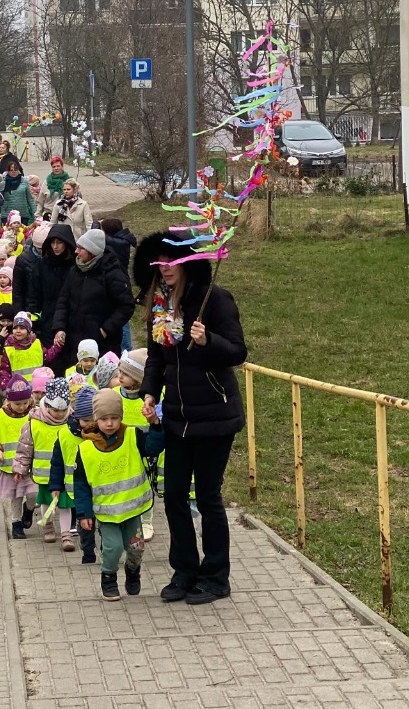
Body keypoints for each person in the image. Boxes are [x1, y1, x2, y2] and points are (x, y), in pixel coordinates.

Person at [135, 229, 247, 606]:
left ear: (188, 263)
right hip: (177, 417)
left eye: (172, 262)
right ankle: (184, 570)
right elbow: (156, 357)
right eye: (160, 263)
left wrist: (206, 341)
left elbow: (238, 351)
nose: (165, 268)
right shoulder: (160, 305)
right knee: (174, 496)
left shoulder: (214, 299)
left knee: (208, 496)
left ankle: (216, 577)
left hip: (215, 414)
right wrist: (149, 393)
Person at [74, 386, 164, 601]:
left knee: (136, 548)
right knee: (112, 548)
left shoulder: (133, 436)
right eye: (104, 419)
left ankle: (133, 572)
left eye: (114, 418)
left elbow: (153, 448)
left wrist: (155, 425)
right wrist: (84, 513)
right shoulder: (86, 449)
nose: (110, 423)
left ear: (121, 417)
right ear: (96, 419)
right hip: (107, 514)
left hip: (132, 509)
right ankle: (108, 578)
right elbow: (81, 484)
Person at [51, 228, 135, 369]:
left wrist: (105, 330)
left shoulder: (112, 273)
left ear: (92, 251)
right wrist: (59, 327)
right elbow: (63, 301)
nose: (76, 251)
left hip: (101, 345)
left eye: (81, 248)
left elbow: (127, 306)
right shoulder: (75, 271)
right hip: (73, 343)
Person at [13, 378, 75, 550]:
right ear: (46, 406)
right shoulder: (34, 424)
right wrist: (20, 468)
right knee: (46, 502)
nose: (60, 414)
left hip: (65, 475)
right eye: (56, 410)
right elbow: (25, 448)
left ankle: (66, 534)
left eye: (64, 410)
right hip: (43, 475)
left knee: (65, 505)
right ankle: (48, 526)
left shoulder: (72, 424)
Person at [49, 385, 98, 564]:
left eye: (94, 419)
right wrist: (55, 485)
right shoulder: (64, 435)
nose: (90, 424)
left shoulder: (103, 435)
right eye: (85, 420)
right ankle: (88, 552)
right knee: (85, 523)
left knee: (104, 523)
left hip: (101, 488)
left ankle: (106, 549)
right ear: (77, 418)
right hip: (76, 491)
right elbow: (57, 463)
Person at [0, 374, 38, 539]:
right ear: (9, 400)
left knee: (34, 493)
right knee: (16, 496)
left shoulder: (36, 414)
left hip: (31, 465)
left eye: (25, 403)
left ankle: (29, 509)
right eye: (18, 404)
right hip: (10, 467)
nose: (22, 407)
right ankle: (16, 523)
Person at [117, 348, 157, 541]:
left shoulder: (149, 400)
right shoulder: (115, 395)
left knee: (145, 487)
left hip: (144, 454)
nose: (120, 376)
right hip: (121, 453)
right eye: (119, 371)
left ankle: (147, 521)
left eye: (125, 373)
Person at [28, 224, 77, 367]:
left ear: (67, 243)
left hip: (71, 319)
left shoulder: (75, 266)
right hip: (47, 319)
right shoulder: (42, 264)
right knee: (50, 359)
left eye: (59, 242)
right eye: (52, 242)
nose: (55, 246)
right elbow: (34, 295)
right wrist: (34, 323)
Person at [0, 310, 59, 390]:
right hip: (19, 391)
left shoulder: (36, 344)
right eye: (15, 328)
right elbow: (5, 371)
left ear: (28, 330)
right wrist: (6, 388)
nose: (18, 331)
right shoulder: (9, 349)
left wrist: (57, 346)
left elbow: (47, 356)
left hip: (38, 390)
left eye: (22, 328)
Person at [103, 218, 138, 351]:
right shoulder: (123, 240)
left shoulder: (118, 243)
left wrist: (96, 226)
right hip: (121, 280)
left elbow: (100, 237)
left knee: (122, 316)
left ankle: (126, 348)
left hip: (120, 282)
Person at [13, 223, 49, 316]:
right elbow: (18, 291)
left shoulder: (53, 260)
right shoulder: (22, 260)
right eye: (39, 248)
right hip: (29, 308)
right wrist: (19, 314)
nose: (42, 252)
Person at [0, 159, 35, 225]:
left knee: (22, 231)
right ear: (8, 171)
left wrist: (35, 213)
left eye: (15, 169)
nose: (13, 172)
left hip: (22, 214)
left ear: (18, 170)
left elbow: (30, 199)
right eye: (11, 170)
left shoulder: (25, 182)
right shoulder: (3, 183)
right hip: (7, 215)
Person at [36, 155, 71, 220]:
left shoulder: (69, 181)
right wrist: (37, 216)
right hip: (49, 215)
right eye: (54, 167)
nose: (56, 168)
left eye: (58, 166)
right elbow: (41, 201)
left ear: (62, 166)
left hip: (65, 215)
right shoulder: (47, 182)